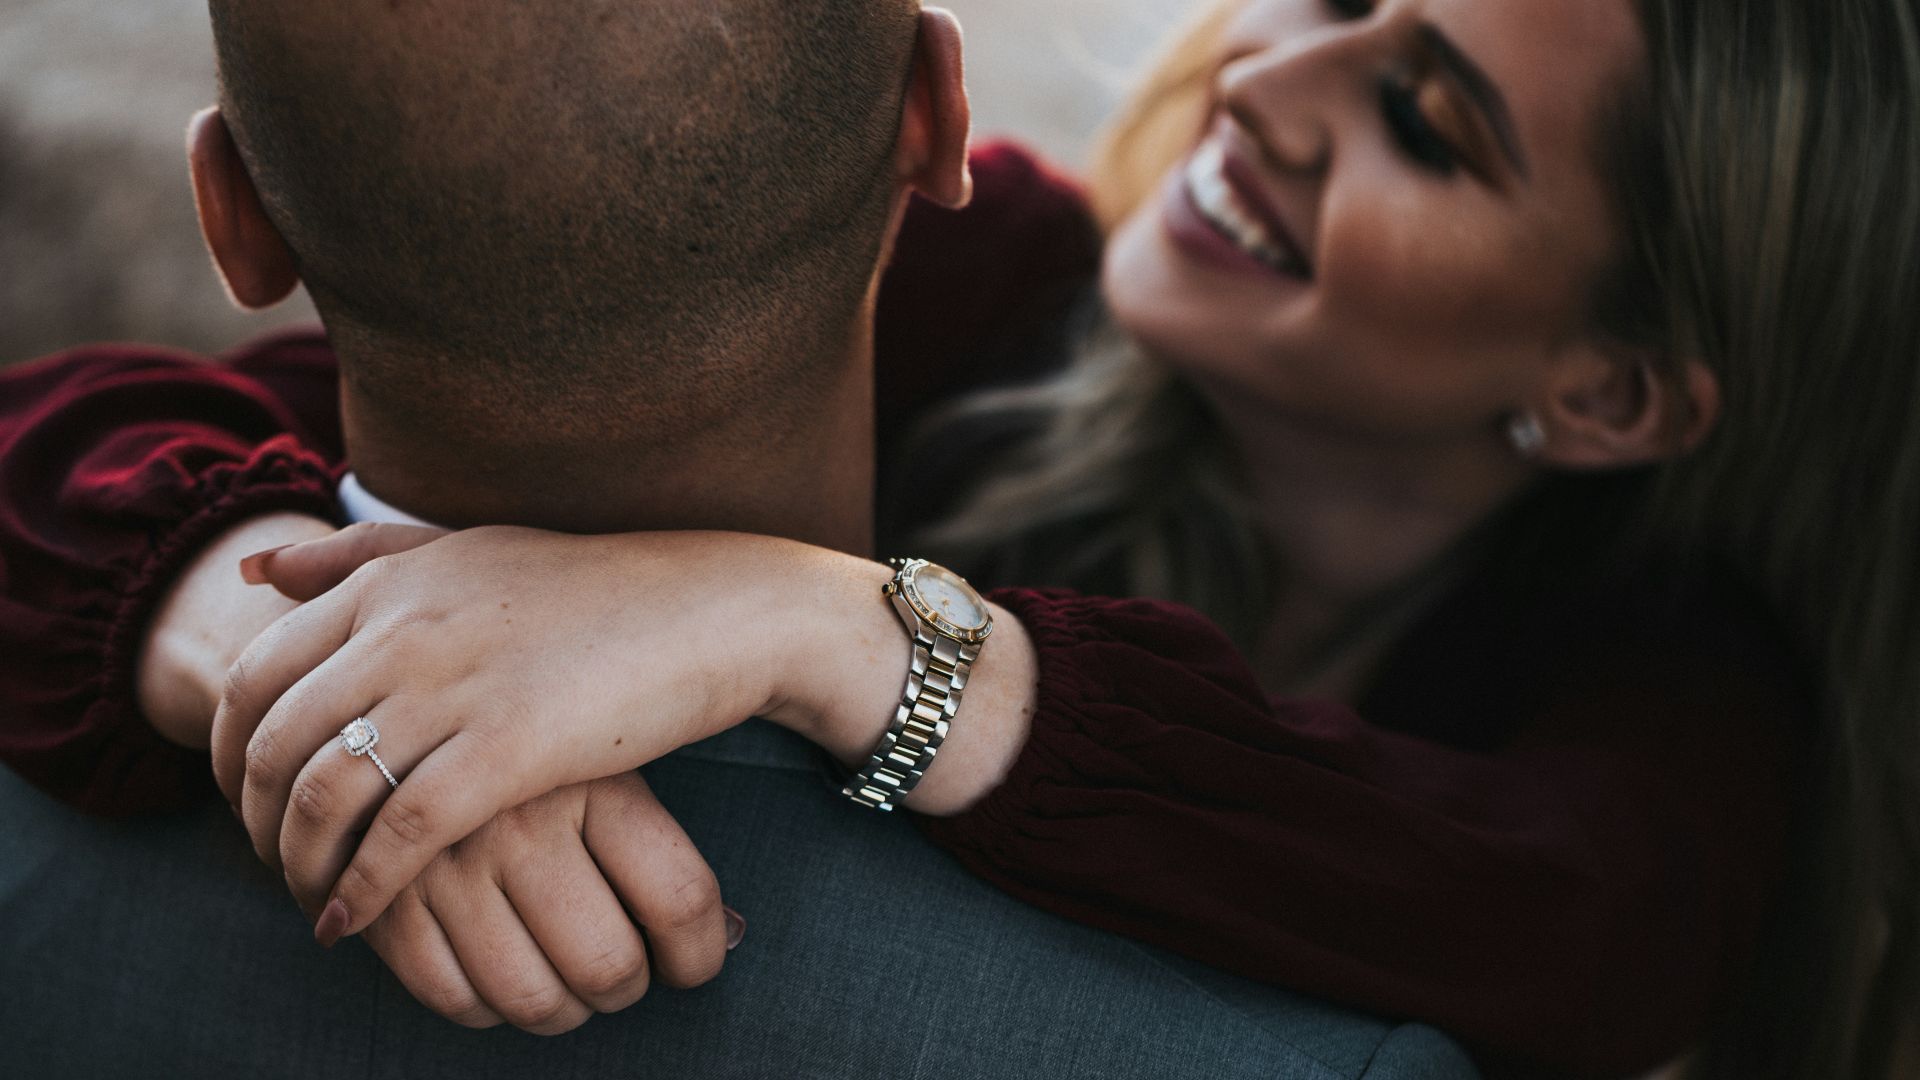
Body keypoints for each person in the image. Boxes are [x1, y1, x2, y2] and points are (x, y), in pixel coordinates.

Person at [4, 1, 1917, 1078]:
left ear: (1612, 391)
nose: (1261, 88)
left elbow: (1575, 927)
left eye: (1424, 119)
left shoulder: (1684, 691)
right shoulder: (990, 272)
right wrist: (267, 651)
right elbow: (201, 399)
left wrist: (839, 633)